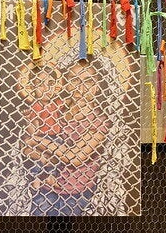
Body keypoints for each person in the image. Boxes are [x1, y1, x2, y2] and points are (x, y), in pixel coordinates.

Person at [25, 60, 112, 216]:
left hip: (75, 193)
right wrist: (42, 156)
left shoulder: (99, 122)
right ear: (65, 83)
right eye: (75, 80)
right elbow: (26, 146)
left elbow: (74, 157)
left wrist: (38, 141)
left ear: (97, 86)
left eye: (89, 81)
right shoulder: (54, 109)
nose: (81, 87)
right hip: (45, 188)